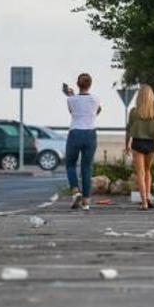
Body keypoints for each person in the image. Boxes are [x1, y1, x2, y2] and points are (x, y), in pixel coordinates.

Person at [65, 73, 102, 211]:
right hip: (90, 134)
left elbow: (72, 112)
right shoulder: (96, 99)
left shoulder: (71, 99)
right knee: (87, 168)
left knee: (70, 164)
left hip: (75, 133)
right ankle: (86, 202)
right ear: (90, 84)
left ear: (77, 84)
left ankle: (75, 191)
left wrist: (71, 95)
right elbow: (97, 111)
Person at [125, 84, 154, 211]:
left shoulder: (133, 112)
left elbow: (128, 130)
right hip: (151, 145)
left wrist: (126, 145)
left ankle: (144, 203)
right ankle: (147, 197)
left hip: (137, 143)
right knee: (148, 171)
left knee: (140, 174)